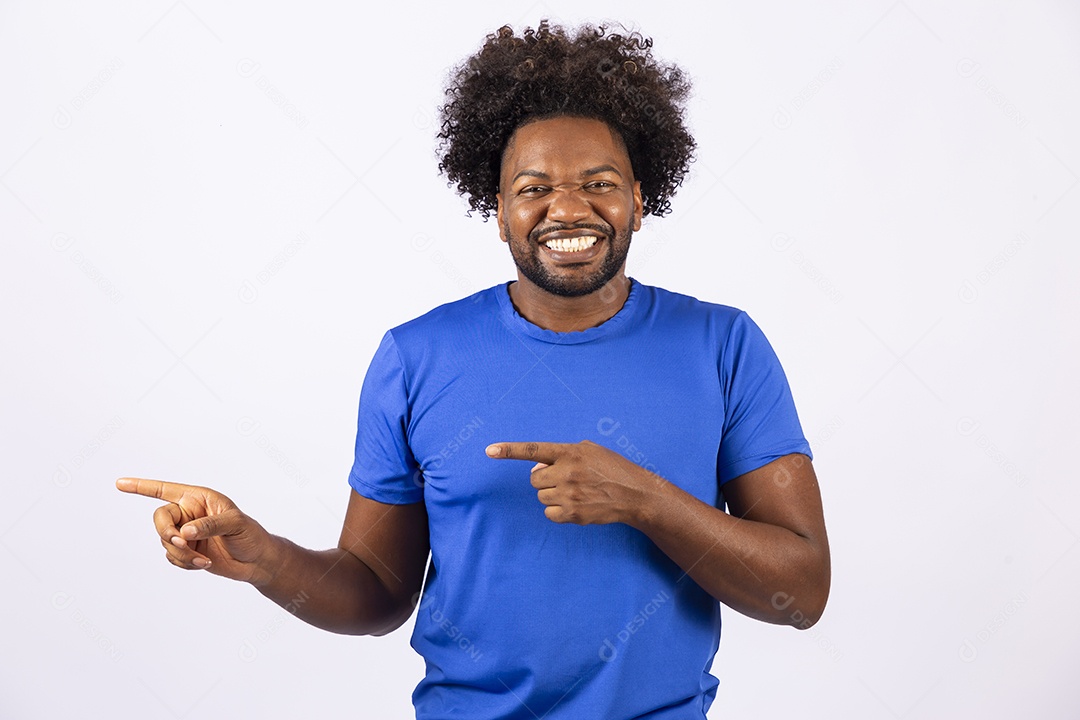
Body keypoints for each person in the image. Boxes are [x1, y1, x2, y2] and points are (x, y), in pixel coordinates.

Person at [117, 21, 830, 719]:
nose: (568, 209)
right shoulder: (416, 357)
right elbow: (376, 593)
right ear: (498, 212)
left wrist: (645, 499)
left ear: (640, 201)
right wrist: (265, 558)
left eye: (599, 182)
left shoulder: (724, 346)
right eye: (533, 188)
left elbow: (802, 593)